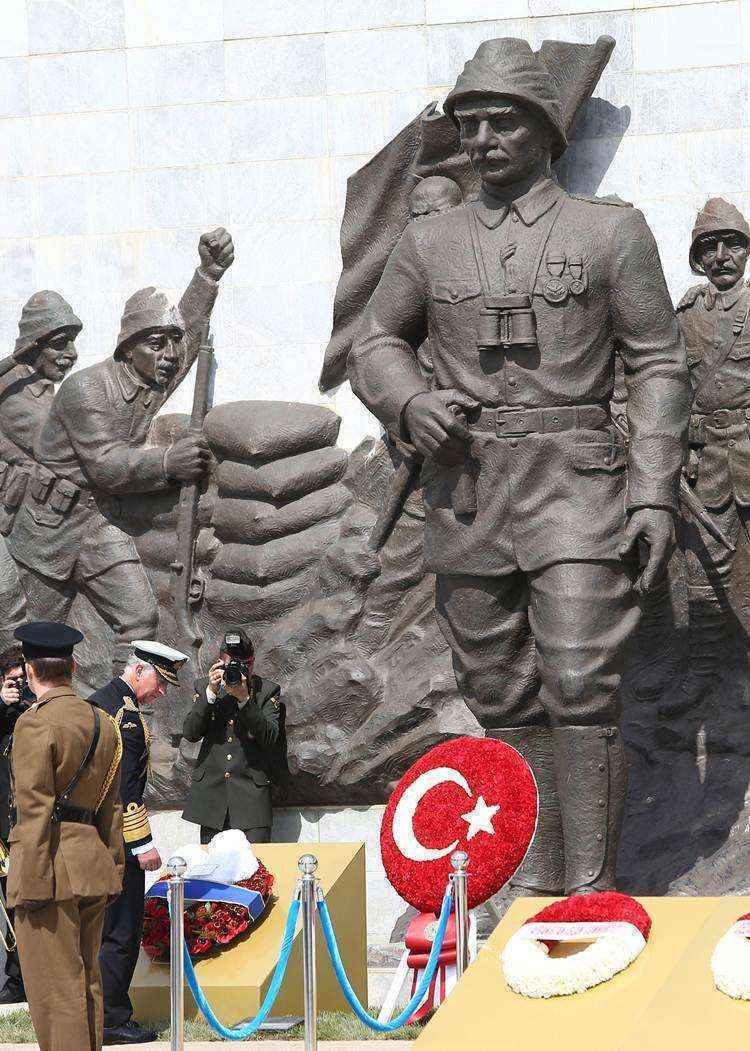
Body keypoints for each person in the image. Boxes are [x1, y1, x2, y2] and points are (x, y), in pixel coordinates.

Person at [348, 37, 691, 896]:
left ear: (546, 129)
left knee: (578, 676)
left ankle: (594, 888)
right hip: (467, 489)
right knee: (499, 687)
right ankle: (536, 880)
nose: (485, 138)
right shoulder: (431, 241)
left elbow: (657, 363)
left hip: (576, 484)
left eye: (505, 120)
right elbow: (376, 340)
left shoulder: (611, 229)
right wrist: (408, 402)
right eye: (471, 123)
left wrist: (651, 494)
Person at [7, 228, 234, 675]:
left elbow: (185, 341)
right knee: (36, 638)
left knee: (138, 618)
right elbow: (107, 466)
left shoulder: (149, 376)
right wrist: (169, 462)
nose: (169, 354)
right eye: (155, 343)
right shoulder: (87, 390)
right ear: (128, 347)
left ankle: (123, 719)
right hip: (48, 532)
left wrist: (207, 276)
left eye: (169, 343)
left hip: (96, 523)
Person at [7, 621, 123, 1051]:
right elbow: (111, 803)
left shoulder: (35, 723)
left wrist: (29, 881)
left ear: (30, 670)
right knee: (87, 981)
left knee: (56, 993)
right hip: (91, 862)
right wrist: (114, 865)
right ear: (72, 667)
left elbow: (35, 809)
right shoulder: (103, 721)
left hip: (50, 868)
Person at [660, 199, 750, 716]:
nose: (720, 256)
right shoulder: (685, 316)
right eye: (708, 248)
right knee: (702, 573)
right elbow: (657, 380)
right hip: (705, 463)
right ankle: (702, 674)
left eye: (731, 244)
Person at [90, 640, 188, 1046]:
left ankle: (97, 1014)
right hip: (117, 841)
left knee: (100, 931)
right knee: (121, 931)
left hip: (93, 836)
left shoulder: (99, 702)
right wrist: (142, 844)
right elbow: (126, 788)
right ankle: (112, 1019)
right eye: (160, 682)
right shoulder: (125, 716)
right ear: (139, 670)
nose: (162, 692)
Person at [0, 292, 80, 646]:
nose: (72, 354)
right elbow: (56, 446)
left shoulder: (39, 387)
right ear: (34, 347)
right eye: (61, 344)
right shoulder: (17, 389)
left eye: (72, 343)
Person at [181, 630, 281, 844]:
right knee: (213, 874)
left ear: (252, 662)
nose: (238, 670)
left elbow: (270, 738)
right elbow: (190, 733)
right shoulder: (204, 687)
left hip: (250, 803)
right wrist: (209, 694)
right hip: (212, 803)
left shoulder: (267, 692)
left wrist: (245, 700)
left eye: (244, 664)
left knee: (257, 873)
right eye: (230, 664)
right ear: (220, 663)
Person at [0, 644, 33, 1006]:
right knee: (8, 906)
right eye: (13, 681)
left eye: (24, 681)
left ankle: (26, 975)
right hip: (2, 829)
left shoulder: (32, 713)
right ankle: (14, 978)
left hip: (27, 824)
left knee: (25, 903)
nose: (19, 688)